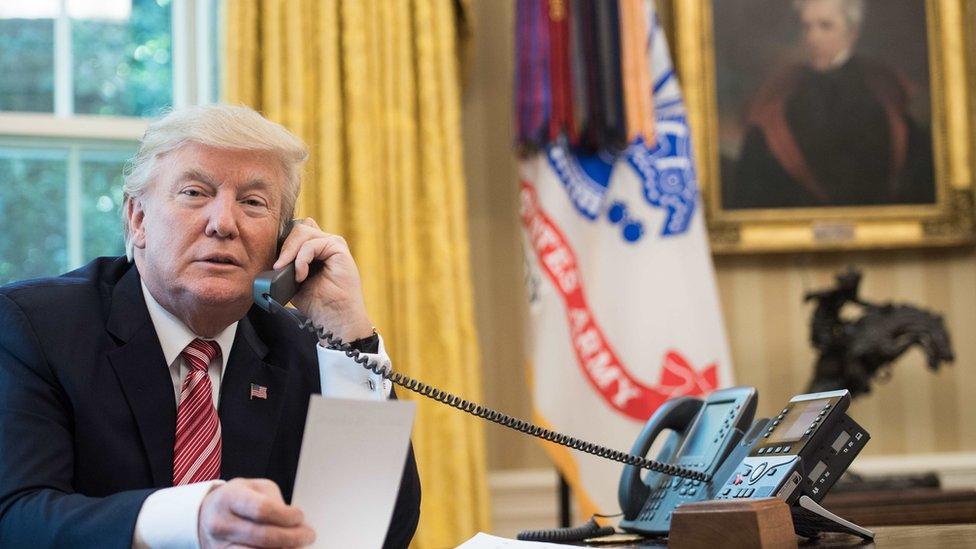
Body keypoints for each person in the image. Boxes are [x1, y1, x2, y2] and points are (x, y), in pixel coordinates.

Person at [0, 105, 420, 548]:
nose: (223, 224)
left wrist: (347, 337)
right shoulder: (35, 328)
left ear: (284, 239)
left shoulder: (305, 348)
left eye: (253, 203)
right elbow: (16, 519)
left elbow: (378, 535)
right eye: (195, 193)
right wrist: (193, 518)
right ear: (138, 219)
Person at [727, 0, 934, 209]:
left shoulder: (882, 91)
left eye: (825, 26)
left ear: (851, 33)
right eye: (807, 26)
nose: (812, 37)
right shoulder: (783, 89)